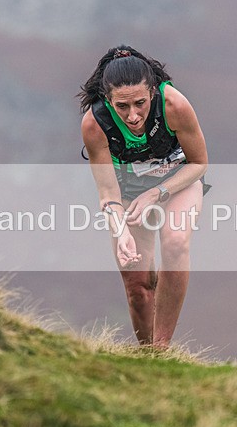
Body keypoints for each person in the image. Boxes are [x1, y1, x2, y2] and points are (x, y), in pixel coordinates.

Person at [79, 45, 208, 349]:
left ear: (152, 91)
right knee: (137, 282)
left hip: (179, 180)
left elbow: (199, 163)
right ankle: (147, 353)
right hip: (128, 191)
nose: (133, 116)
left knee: (175, 242)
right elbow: (108, 193)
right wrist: (121, 230)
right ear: (107, 99)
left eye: (140, 103)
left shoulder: (174, 104)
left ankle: (161, 349)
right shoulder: (95, 123)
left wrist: (157, 192)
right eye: (122, 106)